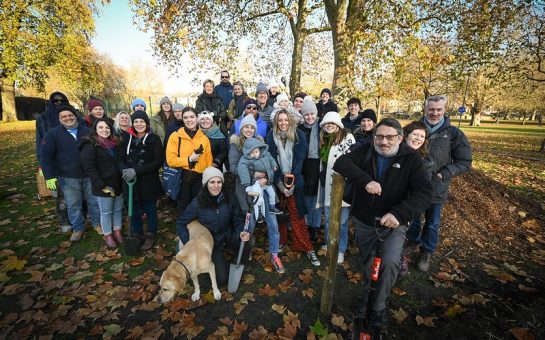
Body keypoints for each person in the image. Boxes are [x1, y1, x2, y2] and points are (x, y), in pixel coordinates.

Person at [333, 118, 433, 329]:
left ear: (400, 138)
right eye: (379, 136)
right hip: (364, 220)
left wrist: (399, 214)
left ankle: (377, 308)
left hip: (394, 223)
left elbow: (424, 194)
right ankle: (368, 298)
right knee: (370, 263)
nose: (384, 141)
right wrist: (365, 180)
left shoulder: (412, 159)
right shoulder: (366, 150)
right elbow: (341, 163)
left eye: (390, 137)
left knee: (388, 262)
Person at [404, 95, 472, 272]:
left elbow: (464, 161)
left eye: (438, 109)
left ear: (444, 110)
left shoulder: (453, 134)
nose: (434, 113)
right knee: (414, 218)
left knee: (432, 222)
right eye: (431, 109)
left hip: (437, 187)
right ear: (425, 109)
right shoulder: (414, 129)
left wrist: (445, 173)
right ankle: (412, 242)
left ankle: (427, 251)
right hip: (414, 185)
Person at [175, 167, 251, 287]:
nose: (216, 186)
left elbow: (238, 218)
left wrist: (241, 231)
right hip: (212, 241)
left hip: (227, 233)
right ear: (206, 184)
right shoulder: (197, 203)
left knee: (248, 240)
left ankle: (239, 261)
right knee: (221, 279)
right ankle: (218, 263)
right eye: (212, 182)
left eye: (219, 182)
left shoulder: (230, 197)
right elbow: (180, 223)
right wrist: (188, 242)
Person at [266, 109, 320, 267]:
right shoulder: (271, 137)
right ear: (276, 122)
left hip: (295, 181)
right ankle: (280, 242)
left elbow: (299, 162)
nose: (283, 123)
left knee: (297, 215)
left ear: (290, 121)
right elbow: (270, 162)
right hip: (277, 182)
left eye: (285, 120)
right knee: (280, 216)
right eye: (280, 120)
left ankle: (307, 247)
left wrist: (291, 184)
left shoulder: (298, 136)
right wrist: (281, 185)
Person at [41, 103, 100, 241]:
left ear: (75, 116)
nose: (68, 118)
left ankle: (97, 224)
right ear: (59, 119)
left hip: (89, 175)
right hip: (68, 176)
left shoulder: (87, 131)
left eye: (70, 115)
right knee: (74, 204)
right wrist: (49, 176)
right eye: (64, 116)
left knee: (94, 201)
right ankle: (78, 228)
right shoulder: (52, 134)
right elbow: (46, 157)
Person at [118, 111, 164, 251]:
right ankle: (137, 233)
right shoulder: (126, 138)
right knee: (134, 209)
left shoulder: (154, 139)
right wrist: (125, 171)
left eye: (142, 122)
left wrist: (136, 171)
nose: (139, 124)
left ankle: (151, 234)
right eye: (136, 121)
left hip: (148, 182)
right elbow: (119, 159)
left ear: (147, 123)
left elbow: (158, 162)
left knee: (150, 209)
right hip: (130, 182)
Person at [316, 112, 355, 265]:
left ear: (338, 125)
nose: (330, 125)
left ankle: (340, 249)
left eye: (333, 123)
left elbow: (351, 162)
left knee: (342, 221)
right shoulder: (324, 140)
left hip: (341, 187)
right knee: (328, 220)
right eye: (327, 123)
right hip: (326, 184)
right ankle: (329, 243)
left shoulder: (347, 139)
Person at [80, 118, 124, 248]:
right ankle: (108, 234)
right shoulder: (90, 145)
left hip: (117, 182)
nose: (104, 130)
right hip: (103, 184)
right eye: (101, 128)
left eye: (107, 128)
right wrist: (101, 185)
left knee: (117, 210)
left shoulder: (115, 143)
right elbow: (89, 167)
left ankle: (117, 231)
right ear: (95, 129)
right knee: (106, 212)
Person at [399, 121, 435, 275]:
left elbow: (420, 187)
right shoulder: (395, 152)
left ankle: (401, 263)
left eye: (422, 136)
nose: (418, 138)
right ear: (406, 135)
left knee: (401, 235)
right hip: (388, 199)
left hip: (407, 203)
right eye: (415, 134)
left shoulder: (426, 161)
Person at [35, 91, 72, 233]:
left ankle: (80, 217)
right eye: (55, 101)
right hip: (55, 163)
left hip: (74, 162)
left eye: (62, 101)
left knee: (77, 193)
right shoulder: (43, 120)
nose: (59, 103)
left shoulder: (74, 116)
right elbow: (40, 146)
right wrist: (46, 170)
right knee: (61, 195)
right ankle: (64, 221)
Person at [165, 107, 213, 215]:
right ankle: (183, 230)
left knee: (198, 208)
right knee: (183, 209)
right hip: (182, 178)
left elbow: (208, 161)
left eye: (192, 117)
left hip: (199, 179)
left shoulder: (204, 138)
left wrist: (208, 179)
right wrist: (189, 159)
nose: (189, 120)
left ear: (197, 119)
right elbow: (170, 160)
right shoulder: (175, 136)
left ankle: (196, 231)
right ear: (182, 120)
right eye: (185, 117)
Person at [237, 137, 282, 221]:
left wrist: (274, 165)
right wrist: (247, 183)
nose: (254, 154)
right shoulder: (246, 160)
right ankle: (260, 214)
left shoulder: (266, 154)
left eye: (256, 152)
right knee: (259, 198)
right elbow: (242, 169)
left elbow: (271, 159)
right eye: (251, 153)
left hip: (267, 180)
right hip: (256, 182)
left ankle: (272, 206)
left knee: (272, 193)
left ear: (260, 150)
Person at [297, 96, 322, 242]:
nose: (310, 117)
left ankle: (314, 226)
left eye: (312, 114)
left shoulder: (321, 127)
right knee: (305, 197)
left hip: (316, 164)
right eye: (306, 114)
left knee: (315, 198)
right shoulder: (300, 129)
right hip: (304, 165)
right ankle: (305, 225)